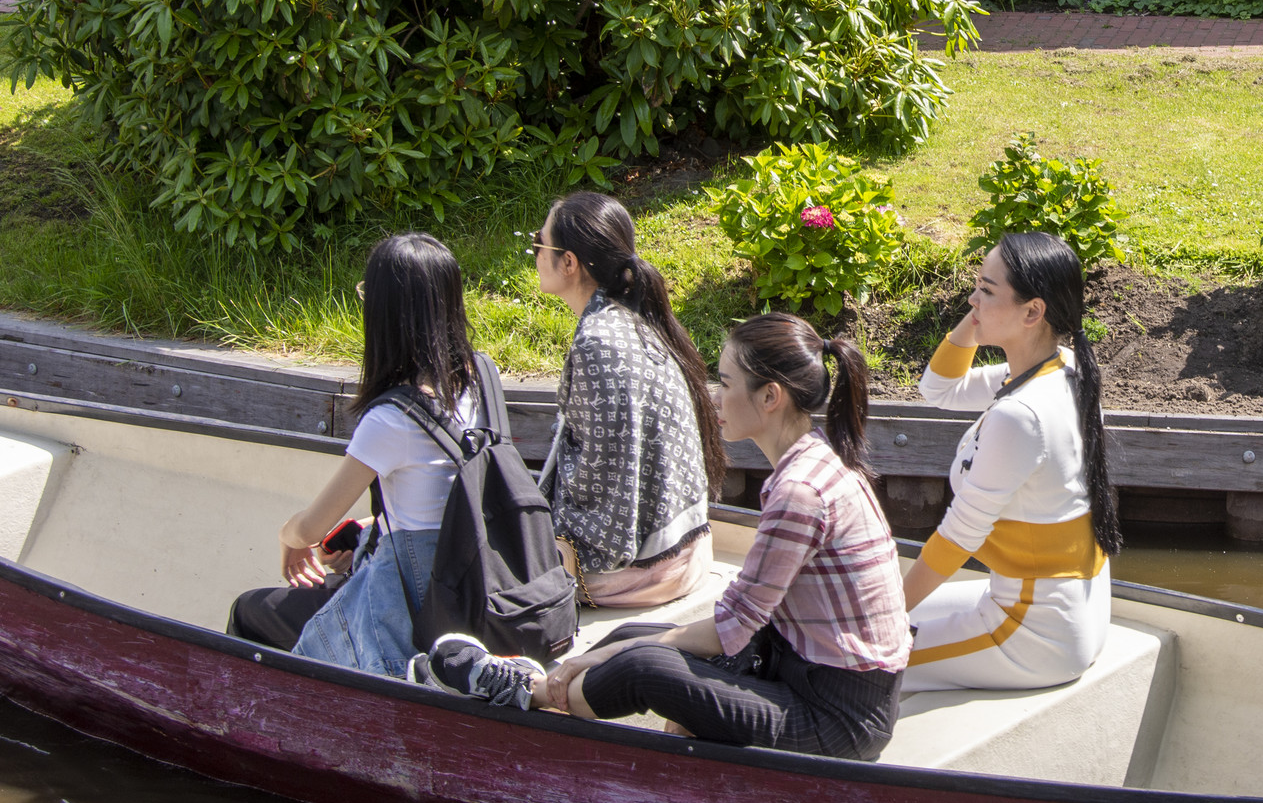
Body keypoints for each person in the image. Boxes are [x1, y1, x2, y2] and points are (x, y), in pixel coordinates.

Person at [417, 313, 910, 761]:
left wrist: (611, 656)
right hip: (798, 669)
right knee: (635, 636)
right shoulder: (813, 460)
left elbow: (730, 629)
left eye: (726, 382)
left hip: (837, 717)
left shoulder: (800, 492)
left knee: (643, 666)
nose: (715, 396)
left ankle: (528, 693)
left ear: (769, 397)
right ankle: (555, 687)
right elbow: (745, 620)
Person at [227, 233, 485, 677]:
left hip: (418, 603)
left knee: (250, 610)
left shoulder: (393, 419)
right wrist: (369, 529)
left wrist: (290, 540)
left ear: (385, 312)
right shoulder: (479, 380)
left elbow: (310, 526)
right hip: (474, 579)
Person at [899, 231, 1123, 692]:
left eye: (985, 290)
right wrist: (981, 315)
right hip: (1062, 609)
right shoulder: (1059, 368)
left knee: (848, 655)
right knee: (849, 617)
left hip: (1032, 633)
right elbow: (938, 389)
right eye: (975, 285)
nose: (971, 299)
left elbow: (957, 537)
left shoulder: (1021, 414)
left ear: (1033, 311)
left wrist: (887, 613)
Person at [531, 192, 729, 608]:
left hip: (638, 574)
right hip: (685, 553)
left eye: (539, 242)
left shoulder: (597, 342)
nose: (533, 252)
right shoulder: (638, 320)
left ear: (568, 262)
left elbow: (605, 503)